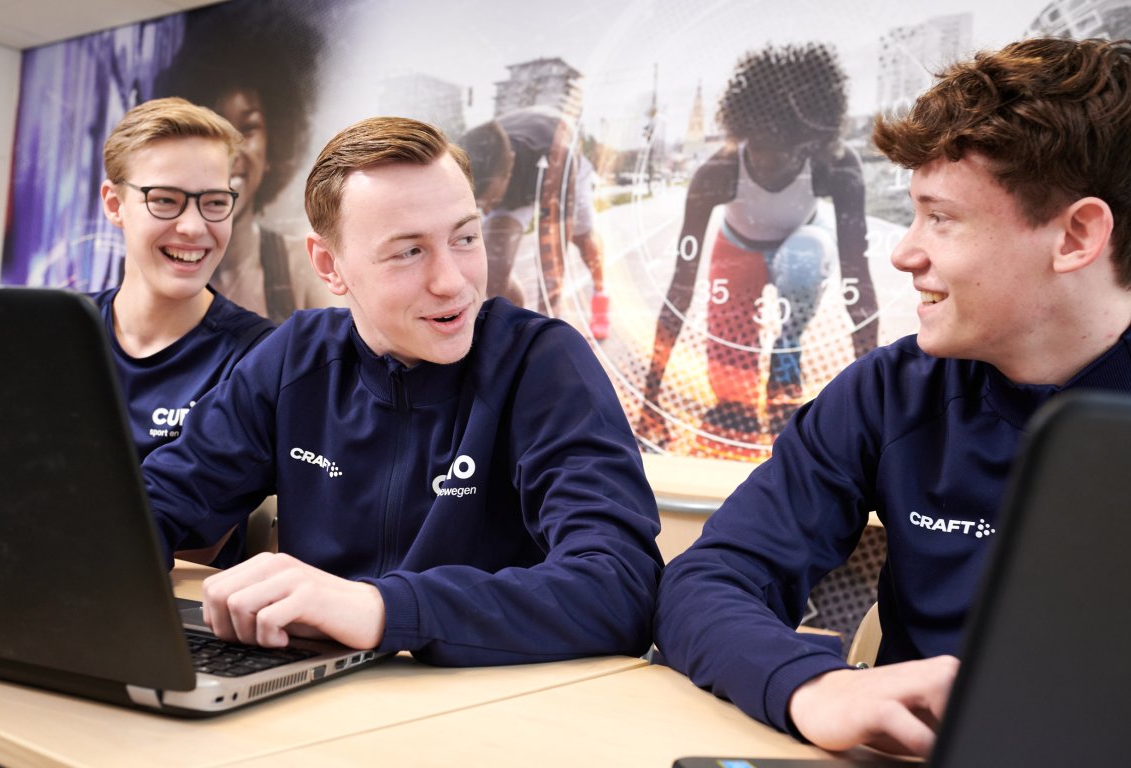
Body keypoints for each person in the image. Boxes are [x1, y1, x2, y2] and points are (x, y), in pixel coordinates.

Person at [654, 36, 1131, 759]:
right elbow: (706, 582)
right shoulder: (889, 393)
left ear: (1075, 236)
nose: (904, 252)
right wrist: (812, 685)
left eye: (941, 218)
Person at [140, 116, 664, 664]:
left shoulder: (542, 364)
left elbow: (621, 587)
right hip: (308, 687)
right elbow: (152, 506)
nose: (452, 281)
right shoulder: (295, 358)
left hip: (483, 698)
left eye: (465, 238)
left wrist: (381, 609)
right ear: (329, 265)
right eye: (409, 252)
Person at [639, 42, 879, 450]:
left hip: (803, 241)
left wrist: (875, 400)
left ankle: (785, 359)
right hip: (737, 249)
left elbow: (859, 281)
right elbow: (681, 286)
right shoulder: (716, 171)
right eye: (761, 146)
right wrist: (651, 393)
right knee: (732, 393)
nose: (770, 162)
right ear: (744, 131)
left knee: (803, 260)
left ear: (811, 142)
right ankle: (747, 380)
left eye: (786, 150)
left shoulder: (837, 165)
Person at [93, 96, 275, 565]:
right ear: (114, 204)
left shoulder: (259, 356)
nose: (194, 227)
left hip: (171, 596)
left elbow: (196, 541)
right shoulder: (59, 336)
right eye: (165, 200)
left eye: (214, 203)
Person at [154, 0, 335, 323]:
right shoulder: (161, 267)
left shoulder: (304, 268)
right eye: (215, 127)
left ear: (273, 145)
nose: (232, 150)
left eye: (247, 128)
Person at [459, 106, 611, 339]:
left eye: (492, 201)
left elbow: (553, 258)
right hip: (511, 171)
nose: (486, 210)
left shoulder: (559, 158)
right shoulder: (465, 160)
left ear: (510, 165)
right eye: (481, 203)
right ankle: (518, 329)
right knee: (493, 270)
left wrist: (548, 327)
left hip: (557, 165)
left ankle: (600, 294)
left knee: (582, 238)